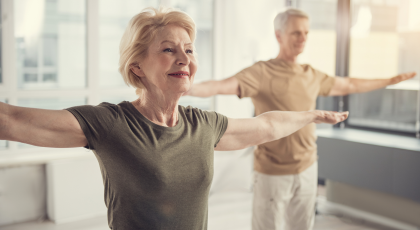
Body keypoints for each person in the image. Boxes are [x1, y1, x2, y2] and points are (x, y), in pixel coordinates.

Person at [0, 7, 348, 230]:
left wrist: (313, 114)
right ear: (137, 66)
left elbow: (267, 125)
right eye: (169, 49)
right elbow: (12, 119)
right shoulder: (112, 123)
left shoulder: (203, 126)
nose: (184, 58)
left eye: (189, 49)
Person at [185, 8, 417, 230]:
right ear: (279, 35)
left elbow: (350, 84)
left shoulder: (311, 74)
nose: (303, 38)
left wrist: (390, 80)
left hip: (307, 167)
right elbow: (219, 86)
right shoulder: (261, 72)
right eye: (296, 32)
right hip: (272, 172)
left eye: (306, 32)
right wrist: (184, 87)